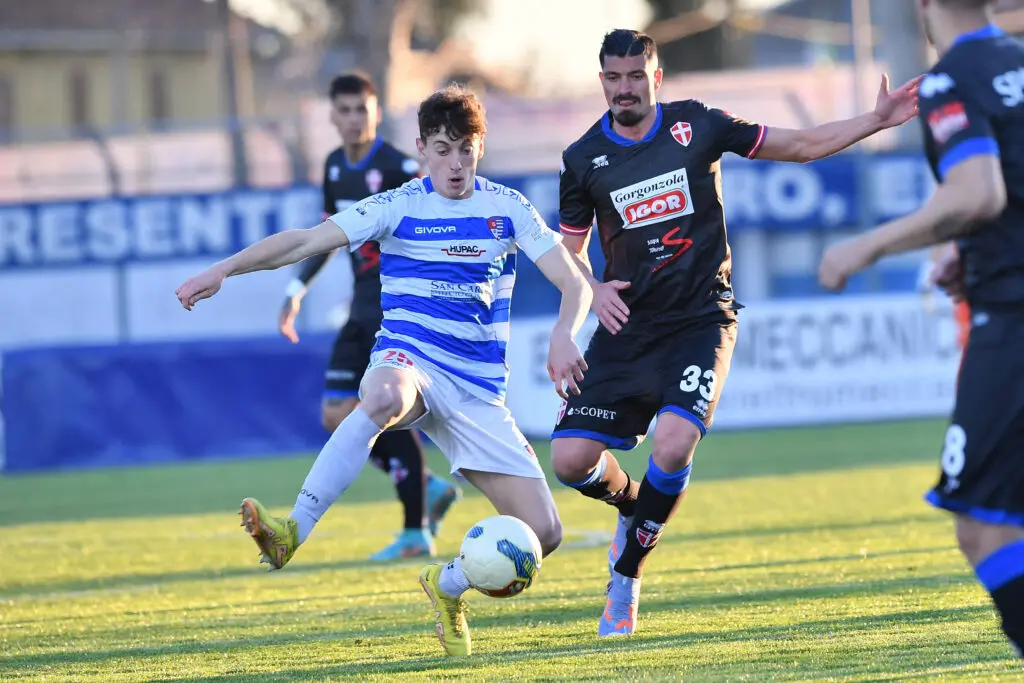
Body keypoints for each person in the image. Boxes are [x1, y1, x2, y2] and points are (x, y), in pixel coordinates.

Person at [175, 84, 593, 657]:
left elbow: (573, 282)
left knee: (544, 534)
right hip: (410, 359)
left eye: (466, 150)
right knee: (384, 396)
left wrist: (565, 332)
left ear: (480, 147)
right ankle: (292, 529)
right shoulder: (397, 205)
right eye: (442, 150)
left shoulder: (507, 207)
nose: (455, 164)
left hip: (477, 390)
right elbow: (304, 242)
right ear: (421, 149)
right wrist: (223, 270)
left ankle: (447, 585)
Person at [551, 28, 922, 637]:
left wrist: (876, 121)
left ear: (656, 78)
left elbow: (800, 144)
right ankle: (633, 506)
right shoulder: (581, 158)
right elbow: (567, 252)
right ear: (602, 81)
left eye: (636, 76)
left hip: (702, 319)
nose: (625, 88)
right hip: (628, 329)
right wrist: (589, 292)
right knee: (569, 462)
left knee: (673, 445)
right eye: (614, 78)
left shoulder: (697, 125)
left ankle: (625, 576)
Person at [818, 0, 1024, 660]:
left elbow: (978, 193)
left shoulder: (952, 77)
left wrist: (867, 246)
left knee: (984, 528)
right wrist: (975, 252)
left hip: (1012, 322)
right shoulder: (1017, 60)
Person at [278, 71, 460, 562]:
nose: (354, 119)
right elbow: (328, 234)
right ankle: (427, 487)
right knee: (336, 414)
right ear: (332, 116)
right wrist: (296, 289)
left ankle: (415, 531)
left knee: (387, 408)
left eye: (362, 109)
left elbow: (438, 227)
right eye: (345, 110)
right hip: (361, 305)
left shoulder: (400, 166)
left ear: (377, 111)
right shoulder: (335, 166)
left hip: (396, 307)